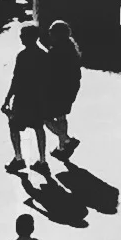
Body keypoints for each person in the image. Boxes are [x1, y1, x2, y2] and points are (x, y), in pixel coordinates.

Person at [3, 24, 54, 174]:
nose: (20, 38)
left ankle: (18, 158)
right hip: (38, 97)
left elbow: (16, 79)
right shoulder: (44, 55)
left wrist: (7, 98)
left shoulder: (22, 56)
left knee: (14, 126)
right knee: (39, 127)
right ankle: (42, 160)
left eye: (22, 35)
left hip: (22, 97)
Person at [42, 20, 83, 162]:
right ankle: (62, 148)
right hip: (70, 89)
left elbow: (49, 72)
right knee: (61, 117)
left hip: (57, 90)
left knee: (46, 118)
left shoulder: (55, 52)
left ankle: (66, 140)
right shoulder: (71, 49)